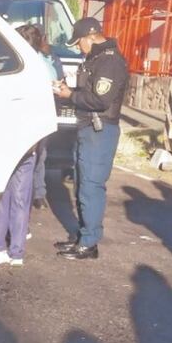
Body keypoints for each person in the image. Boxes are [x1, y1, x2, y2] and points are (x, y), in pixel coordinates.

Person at [0, 25, 54, 267]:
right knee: (20, 198)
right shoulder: (41, 69)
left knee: (5, 196)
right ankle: (15, 251)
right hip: (29, 142)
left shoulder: (16, 69)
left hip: (11, 142)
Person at [53, 17, 128, 261]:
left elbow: (100, 99)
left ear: (90, 36)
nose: (78, 48)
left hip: (100, 129)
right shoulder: (95, 58)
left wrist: (69, 95)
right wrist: (70, 89)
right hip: (88, 128)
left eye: (79, 43)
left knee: (91, 187)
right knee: (82, 184)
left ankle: (89, 243)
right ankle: (82, 235)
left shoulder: (110, 61)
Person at [31, 29, 65, 211]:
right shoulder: (30, 58)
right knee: (32, 155)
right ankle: (33, 193)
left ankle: (38, 192)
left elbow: (59, 76)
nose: (47, 42)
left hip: (48, 107)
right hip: (34, 109)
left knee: (41, 153)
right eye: (43, 38)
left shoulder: (52, 58)